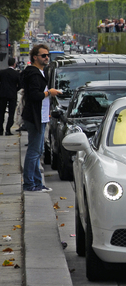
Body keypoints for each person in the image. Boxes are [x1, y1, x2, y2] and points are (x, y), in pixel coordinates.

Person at [21, 44, 61, 192]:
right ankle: (29, 184)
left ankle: (37, 183)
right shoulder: (34, 74)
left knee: (38, 151)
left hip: (41, 117)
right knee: (34, 151)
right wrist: (49, 92)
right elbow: (34, 95)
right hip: (35, 117)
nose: (46, 58)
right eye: (43, 55)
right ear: (35, 57)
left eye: (47, 55)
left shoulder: (39, 72)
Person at [0, 57, 22, 135]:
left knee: (1, 112)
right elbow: (20, 85)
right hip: (12, 95)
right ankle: (8, 129)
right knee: (11, 112)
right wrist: (15, 89)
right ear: (14, 64)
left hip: (2, 94)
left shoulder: (2, 72)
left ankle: (0, 130)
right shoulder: (16, 74)